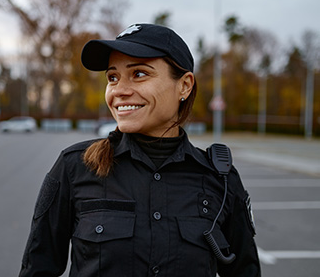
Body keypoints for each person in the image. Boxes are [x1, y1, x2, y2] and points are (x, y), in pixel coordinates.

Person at [19, 23, 261, 277]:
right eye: (113, 77)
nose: (120, 91)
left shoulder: (220, 178)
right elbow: (37, 269)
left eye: (139, 74)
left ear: (185, 86)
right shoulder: (74, 167)